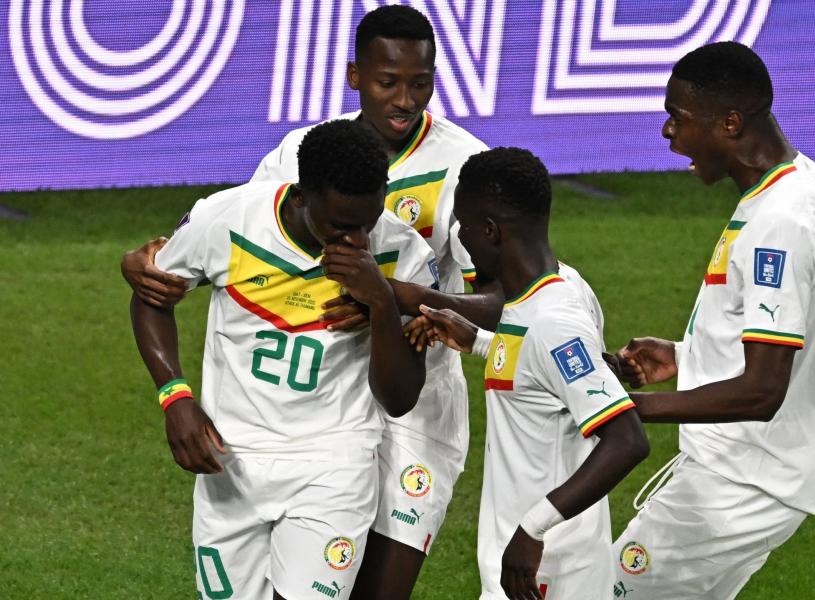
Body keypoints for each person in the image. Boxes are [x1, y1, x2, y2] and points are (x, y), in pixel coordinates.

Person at [121, 6, 499, 598]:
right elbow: (226, 235)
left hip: (412, 396)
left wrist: (392, 301)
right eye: (388, 82)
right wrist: (148, 264)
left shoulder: (464, 169)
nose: (405, 100)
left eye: (420, 84)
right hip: (304, 408)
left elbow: (503, 299)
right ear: (356, 76)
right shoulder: (299, 151)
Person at [129, 120, 438, 600]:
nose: (358, 240)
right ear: (300, 197)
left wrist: (381, 301)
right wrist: (175, 396)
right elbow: (152, 294)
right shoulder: (227, 219)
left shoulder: (403, 253)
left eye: (368, 221)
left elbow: (399, 399)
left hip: (335, 464)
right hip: (230, 461)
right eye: (341, 226)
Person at [609, 41, 815, 599]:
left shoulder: (780, 221)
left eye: (678, 118)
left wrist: (624, 408)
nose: (667, 133)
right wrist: (690, 355)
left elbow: (765, 389)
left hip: (741, 482)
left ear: (731, 123)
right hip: (766, 473)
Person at [413, 147, 650, 600]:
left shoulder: (555, 320)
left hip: (549, 567)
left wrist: (532, 528)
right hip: (526, 562)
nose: (459, 236)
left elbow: (627, 439)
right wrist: (476, 341)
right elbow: (547, 382)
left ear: (490, 231)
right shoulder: (536, 303)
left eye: (463, 225)